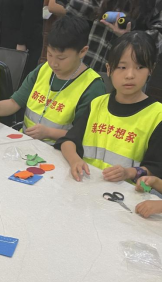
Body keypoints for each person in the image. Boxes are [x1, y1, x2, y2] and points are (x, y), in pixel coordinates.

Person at [0, 15, 105, 144]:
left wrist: (49, 133)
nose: (53, 63)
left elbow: (86, 135)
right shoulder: (43, 69)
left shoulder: (92, 86)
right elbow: (14, 103)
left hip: (59, 150)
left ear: (82, 51)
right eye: (49, 54)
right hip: (26, 142)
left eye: (61, 58)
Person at [55, 31, 162, 183]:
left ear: (151, 69)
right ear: (109, 69)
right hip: (86, 185)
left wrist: (129, 173)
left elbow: (156, 169)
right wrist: (75, 160)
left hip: (124, 193)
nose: (130, 75)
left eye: (140, 67)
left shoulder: (157, 115)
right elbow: (68, 141)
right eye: (122, 67)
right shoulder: (97, 104)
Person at [0, 0, 44, 80]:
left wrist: (21, 42)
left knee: (20, 76)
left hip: (24, 42)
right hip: (7, 37)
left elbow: (31, 16)